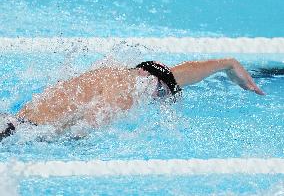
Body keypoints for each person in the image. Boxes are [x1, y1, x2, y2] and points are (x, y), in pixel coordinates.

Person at [0, 58, 264, 141]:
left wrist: (227, 64)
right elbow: (84, 131)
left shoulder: (109, 75)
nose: (158, 99)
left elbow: (178, 74)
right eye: (162, 94)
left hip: (16, 123)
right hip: (18, 133)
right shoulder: (126, 90)